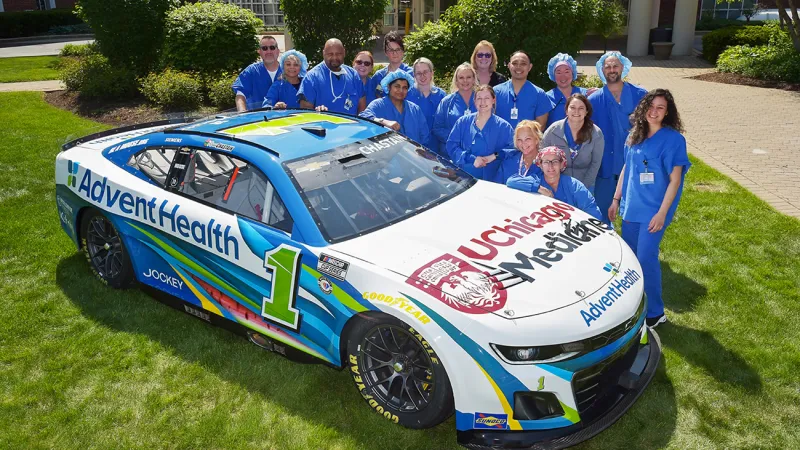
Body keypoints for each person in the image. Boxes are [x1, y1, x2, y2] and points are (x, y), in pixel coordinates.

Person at [608, 89, 691, 328]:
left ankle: (655, 312)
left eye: (660, 108)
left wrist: (663, 213)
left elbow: (675, 180)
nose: (654, 112)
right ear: (643, 108)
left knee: (646, 257)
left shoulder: (674, 140)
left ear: (667, 113)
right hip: (631, 208)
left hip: (654, 210)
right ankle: (635, 305)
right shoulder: (635, 135)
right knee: (632, 260)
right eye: (650, 106)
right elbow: (627, 168)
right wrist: (616, 199)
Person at [589, 51, 648, 224]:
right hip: (606, 167)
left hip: (635, 165)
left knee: (636, 216)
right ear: (602, 70)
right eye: (608, 67)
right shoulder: (594, 100)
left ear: (623, 67)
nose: (612, 70)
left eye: (615, 66)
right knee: (602, 217)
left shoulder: (640, 95)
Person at [508, 146, 601, 220]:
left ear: (561, 164)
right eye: (546, 162)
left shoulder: (574, 185)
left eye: (555, 161)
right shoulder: (536, 180)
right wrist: (538, 188)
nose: (551, 166)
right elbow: (511, 181)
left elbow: (592, 211)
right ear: (540, 165)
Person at [446, 85, 514, 181]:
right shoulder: (463, 122)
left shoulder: (504, 127)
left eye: (487, 98)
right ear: (474, 101)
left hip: (493, 180)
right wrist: (471, 159)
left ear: (493, 100)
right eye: (479, 98)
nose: (482, 102)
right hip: (464, 178)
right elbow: (451, 146)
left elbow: (513, 150)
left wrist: (494, 156)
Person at [541, 94, 604, 191]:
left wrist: (582, 189)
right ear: (566, 110)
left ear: (586, 111)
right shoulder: (553, 130)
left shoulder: (596, 133)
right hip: (556, 184)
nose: (576, 111)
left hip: (585, 185)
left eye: (581, 108)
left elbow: (595, 164)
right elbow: (541, 156)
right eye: (572, 107)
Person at [360, 71, 430, 147]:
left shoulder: (415, 109)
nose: (401, 91)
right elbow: (362, 117)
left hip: (412, 155)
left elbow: (424, 137)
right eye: (397, 86)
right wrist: (383, 121)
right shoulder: (378, 105)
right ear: (389, 87)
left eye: (405, 88)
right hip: (387, 156)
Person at [298, 38, 365, 114]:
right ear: (323, 53)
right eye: (330, 54)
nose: (334, 58)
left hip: (351, 125)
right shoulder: (311, 78)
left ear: (344, 53)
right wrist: (317, 112)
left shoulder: (353, 75)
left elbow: (362, 106)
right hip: (323, 125)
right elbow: (306, 112)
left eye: (338, 54)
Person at [493, 50, 554, 130]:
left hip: (527, 142)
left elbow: (540, 127)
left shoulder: (539, 94)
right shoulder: (495, 92)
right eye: (514, 63)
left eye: (523, 64)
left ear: (530, 67)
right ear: (509, 65)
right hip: (500, 142)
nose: (518, 67)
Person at [432, 63, 478, 157]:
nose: (465, 81)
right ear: (456, 80)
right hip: (450, 155)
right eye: (461, 77)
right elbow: (437, 128)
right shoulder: (446, 102)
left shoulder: (482, 100)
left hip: (476, 155)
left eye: (468, 77)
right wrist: (457, 138)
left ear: (474, 79)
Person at [495, 120, 550, 197]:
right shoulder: (508, 160)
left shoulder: (546, 163)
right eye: (519, 140)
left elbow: (548, 193)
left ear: (536, 139)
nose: (523, 143)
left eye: (528, 139)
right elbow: (497, 187)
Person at [545, 53, 597, 128]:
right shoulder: (546, 98)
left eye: (567, 72)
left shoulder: (586, 94)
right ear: (553, 75)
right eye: (558, 72)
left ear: (573, 74)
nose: (563, 76)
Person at [232, 35, 282, 111]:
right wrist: (242, 114)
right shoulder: (251, 71)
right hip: (256, 119)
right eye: (264, 48)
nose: (269, 51)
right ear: (259, 52)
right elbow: (240, 95)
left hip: (284, 118)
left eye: (272, 47)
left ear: (278, 51)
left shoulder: (288, 71)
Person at [406, 57, 445, 149]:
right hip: (412, 145)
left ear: (432, 73)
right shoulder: (407, 95)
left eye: (425, 72)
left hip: (436, 146)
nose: (422, 76)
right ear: (414, 75)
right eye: (418, 73)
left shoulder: (441, 96)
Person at [371, 31, 413, 100]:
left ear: (403, 51)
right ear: (385, 52)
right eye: (391, 50)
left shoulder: (412, 74)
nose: (394, 53)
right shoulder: (378, 76)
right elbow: (371, 100)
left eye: (398, 49)